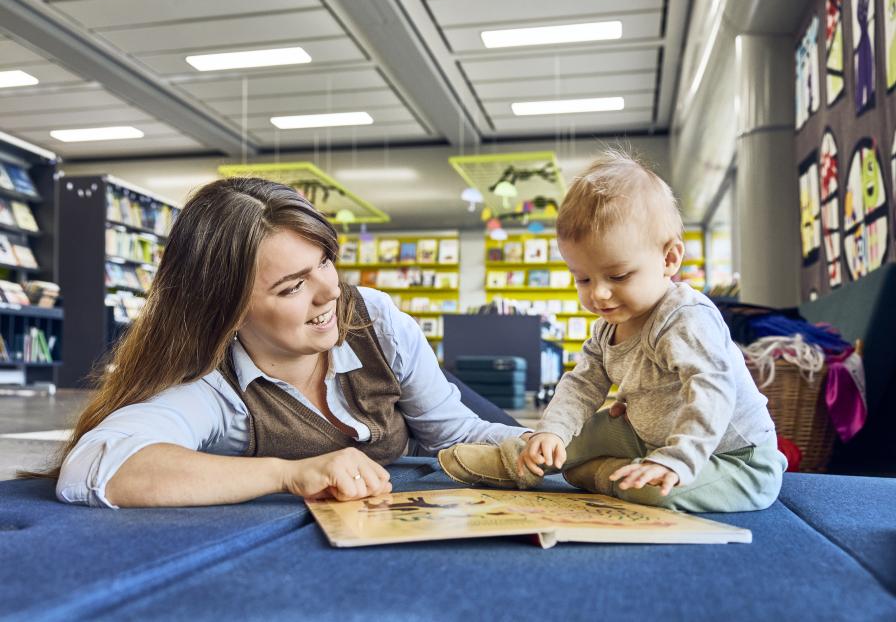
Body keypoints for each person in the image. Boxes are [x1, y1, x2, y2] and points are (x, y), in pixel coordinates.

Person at [42, 177, 528, 508]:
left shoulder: (374, 317)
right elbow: (96, 465)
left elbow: (455, 433)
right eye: (292, 286)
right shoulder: (214, 385)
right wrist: (287, 474)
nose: (330, 292)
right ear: (226, 308)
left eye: (325, 262)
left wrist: (542, 444)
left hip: (433, 388)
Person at [439, 149, 787, 512]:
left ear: (669, 259)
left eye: (618, 276)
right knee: (579, 433)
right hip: (643, 435)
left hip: (728, 457)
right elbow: (581, 385)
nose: (599, 293)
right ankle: (517, 460)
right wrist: (552, 432)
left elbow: (711, 392)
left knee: (653, 492)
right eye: (583, 278)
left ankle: (603, 475)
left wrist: (677, 459)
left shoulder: (686, 317)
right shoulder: (607, 327)